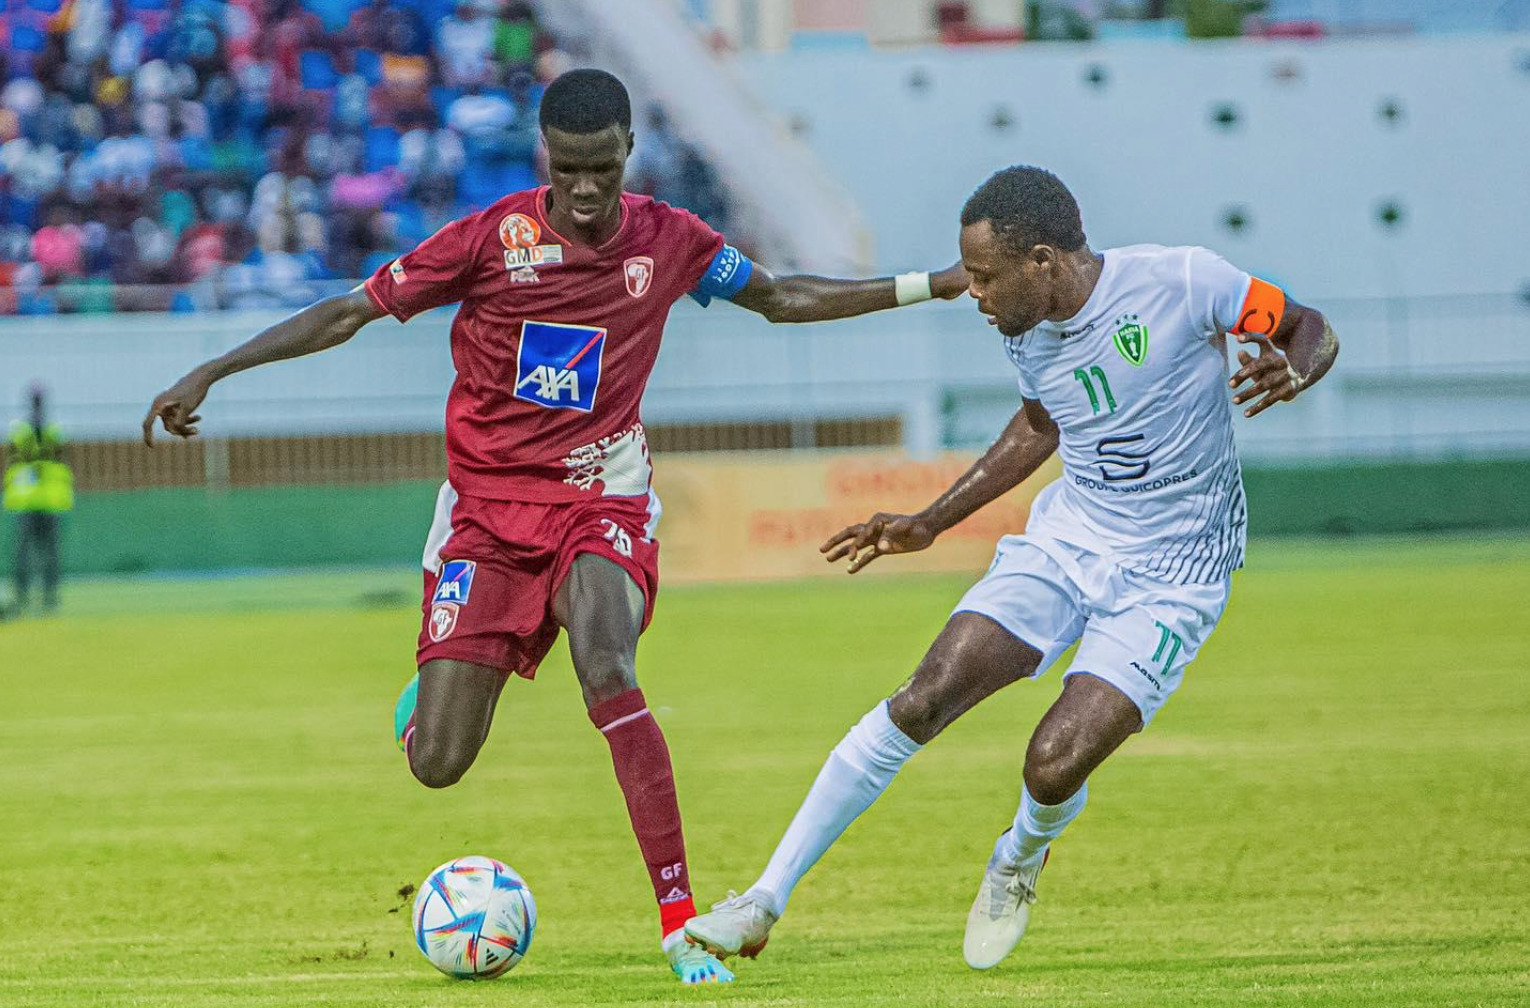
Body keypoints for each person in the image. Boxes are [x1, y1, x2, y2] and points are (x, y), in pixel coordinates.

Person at [142, 69, 966, 986]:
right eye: (568, 168)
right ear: (547, 156)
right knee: (438, 766)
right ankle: (429, 690)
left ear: (626, 155)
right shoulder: (492, 240)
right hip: (487, 517)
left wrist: (927, 284)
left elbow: (779, 297)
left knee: (606, 661)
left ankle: (680, 919)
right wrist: (213, 368)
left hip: (598, 498)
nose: (584, 189)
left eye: (601, 170)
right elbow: (350, 311)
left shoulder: (672, 239)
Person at [683, 165, 1340, 970]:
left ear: (1042, 260)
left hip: (1176, 572)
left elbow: (1308, 325)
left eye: (986, 276)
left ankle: (1020, 856)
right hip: (1069, 541)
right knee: (921, 700)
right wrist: (930, 521)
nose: (976, 293)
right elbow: (1040, 426)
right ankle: (762, 900)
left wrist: (1295, 367)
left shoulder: (1185, 281)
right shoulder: (1027, 332)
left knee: (1053, 764)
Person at [4, 385, 73, 613]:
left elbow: (62, 460)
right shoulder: (23, 432)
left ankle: (49, 596)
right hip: (29, 500)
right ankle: (24, 595)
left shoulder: (52, 431)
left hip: (48, 500)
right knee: (26, 552)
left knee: (49, 552)